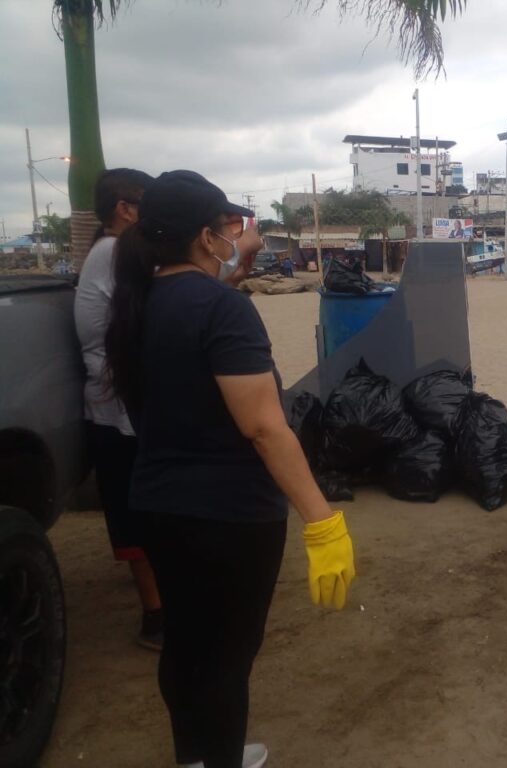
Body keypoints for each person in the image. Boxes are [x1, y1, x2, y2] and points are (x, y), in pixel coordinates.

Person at [105, 170, 355, 768]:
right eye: (231, 225)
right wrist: (321, 520)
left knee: (186, 643)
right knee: (227, 657)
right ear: (205, 236)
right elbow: (264, 426)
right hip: (230, 516)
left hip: (158, 504)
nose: (237, 235)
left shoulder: (136, 302)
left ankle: (194, 756)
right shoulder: (221, 309)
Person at [74, 168, 164, 650]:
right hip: (119, 410)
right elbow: (157, 313)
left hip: (124, 403)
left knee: (145, 511)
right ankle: (156, 618)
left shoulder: (110, 252)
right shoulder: (113, 253)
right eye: (148, 204)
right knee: (137, 516)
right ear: (125, 209)